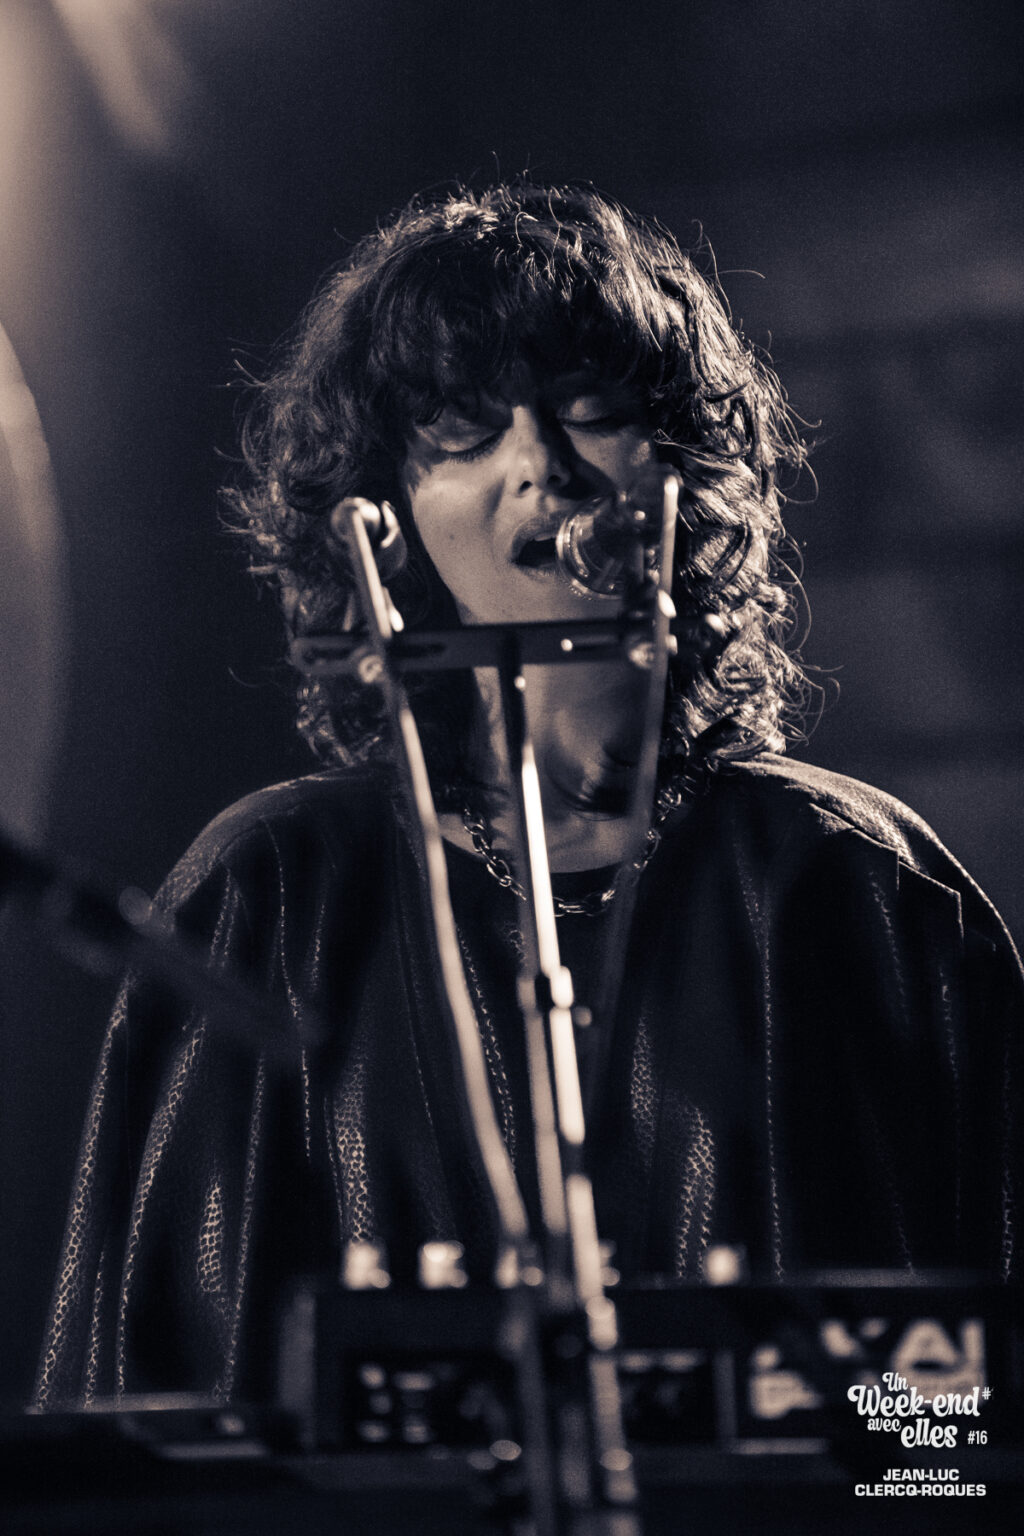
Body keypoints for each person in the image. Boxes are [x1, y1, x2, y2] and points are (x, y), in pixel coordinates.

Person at [34, 181, 1022, 1411]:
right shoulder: (271, 891)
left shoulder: (856, 883)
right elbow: (143, 1415)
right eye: (463, 429)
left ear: (681, 468)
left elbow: (962, 1428)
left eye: (591, 410)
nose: (541, 468)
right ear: (386, 513)